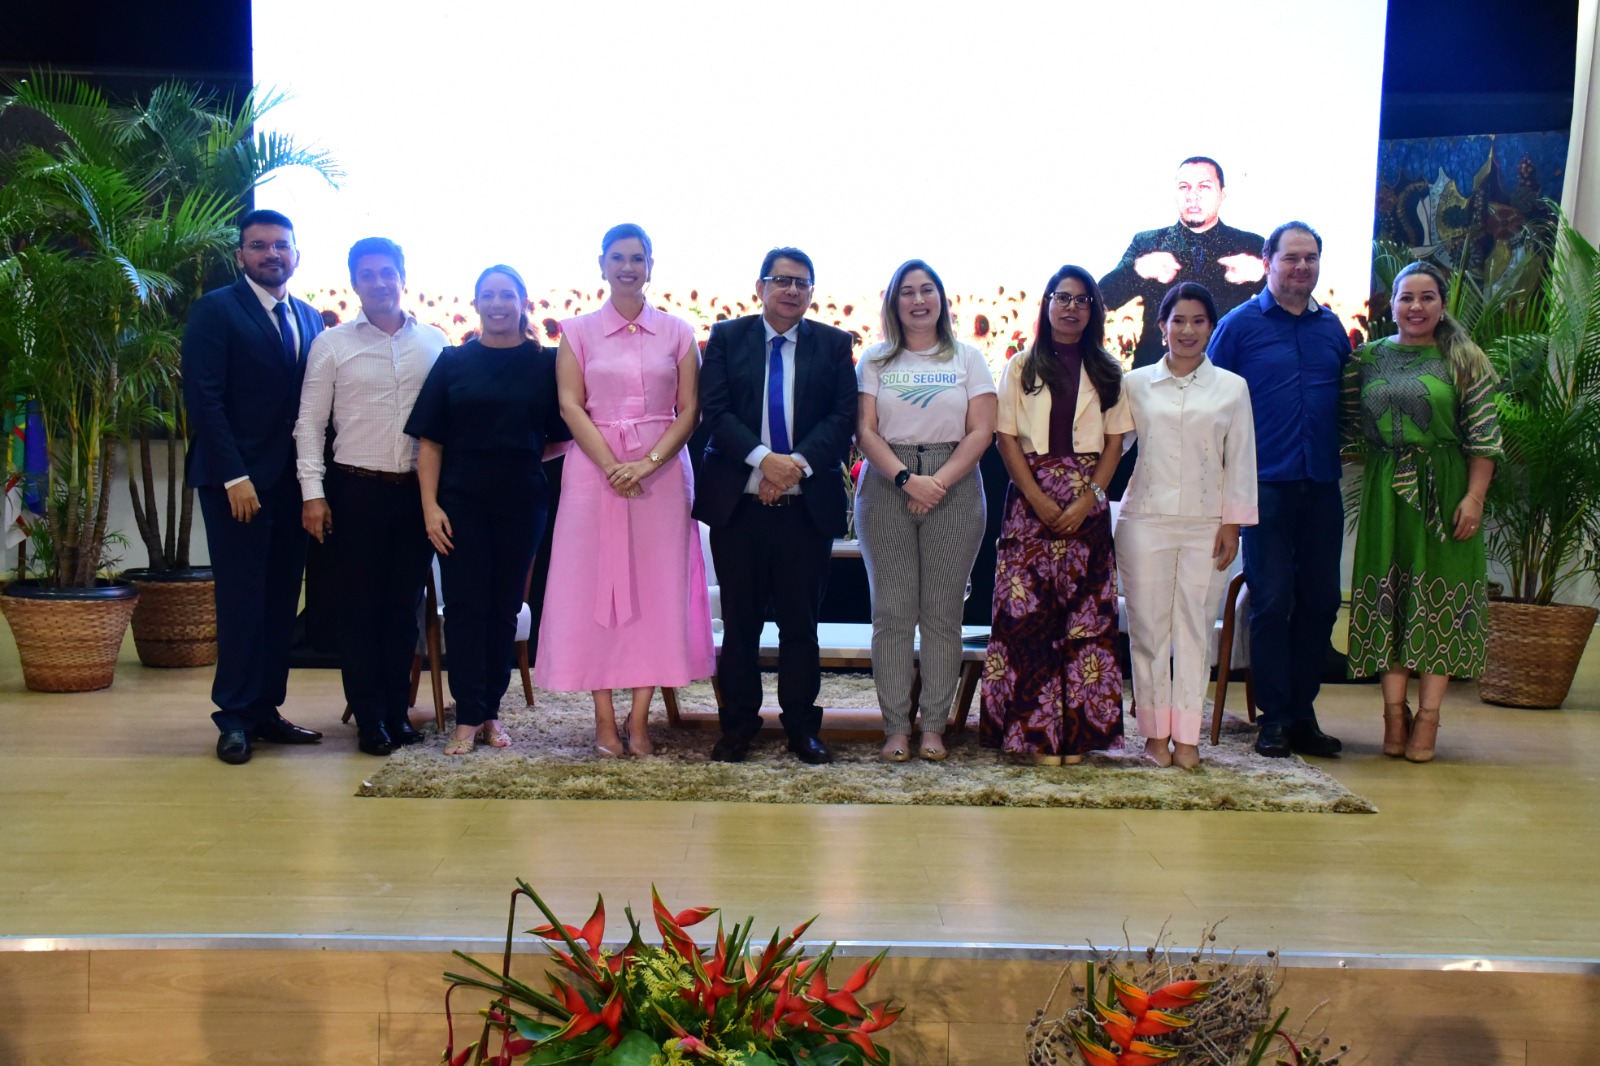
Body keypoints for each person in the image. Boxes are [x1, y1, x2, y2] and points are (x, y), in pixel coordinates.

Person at [534, 224, 714, 757]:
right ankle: (604, 721)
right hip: (593, 476)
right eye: (618, 257)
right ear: (602, 265)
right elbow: (570, 404)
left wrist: (649, 462)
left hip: (660, 478)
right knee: (593, 594)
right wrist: (613, 465)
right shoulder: (577, 331)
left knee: (657, 594)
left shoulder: (679, 333)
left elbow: (691, 409)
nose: (628, 267)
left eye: (638, 258)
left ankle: (640, 720)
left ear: (651, 265)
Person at [694, 247, 857, 765]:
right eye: (781, 280)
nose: (791, 290)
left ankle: (801, 729)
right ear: (760, 286)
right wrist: (766, 461)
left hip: (804, 508)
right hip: (738, 509)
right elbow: (715, 412)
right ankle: (737, 726)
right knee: (741, 623)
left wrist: (795, 465)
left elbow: (841, 417)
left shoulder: (832, 345)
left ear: (811, 293)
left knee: (799, 624)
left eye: (802, 283)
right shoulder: (726, 338)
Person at [404, 265, 569, 756]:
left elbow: (562, 439)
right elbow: (429, 443)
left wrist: (515, 454)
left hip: (522, 503)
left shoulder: (548, 363)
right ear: (476, 304)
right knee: (465, 609)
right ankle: (466, 714)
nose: (498, 303)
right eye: (488, 295)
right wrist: (430, 507)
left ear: (523, 302)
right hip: (460, 504)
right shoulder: (453, 361)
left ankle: (490, 712)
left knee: (503, 611)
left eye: (507, 295)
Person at [293, 237, 447, 756]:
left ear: (404, 276)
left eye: (388, 272)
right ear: (354, 281)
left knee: (403, 609)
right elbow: (310, 427)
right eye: (367, 274)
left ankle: (396, 712)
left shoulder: (435, 341)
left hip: (415, 495)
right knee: (360, 610)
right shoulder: (332, 345)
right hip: (353, 490)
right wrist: (313, 495)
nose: (379, 282)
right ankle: (369, 720)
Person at [183, 209, 326, 765]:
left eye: (281, 245)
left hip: (292, 487)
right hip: (236, 485)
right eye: (259, 245)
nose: (272, 254)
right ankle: (234, 717)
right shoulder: (216, 311)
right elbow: (205, 399)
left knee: (279, 602)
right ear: (240, 254)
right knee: (242, 602)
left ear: (296, 253)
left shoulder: (311, 318)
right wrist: (234, 476)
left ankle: (267, 709)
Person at [1344, 262, 1501, 762]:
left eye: (1427, 297)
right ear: (1389, 306)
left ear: (1441, 304)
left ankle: (1428, 718)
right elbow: (1346, 428)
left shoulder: (1465, 359)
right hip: (1384, 490)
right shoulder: (1364, 359)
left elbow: (1485, 440)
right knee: (1389, 597)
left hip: (1447, 487)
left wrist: (1473, 498)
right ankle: (1393, 716)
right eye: (1406, 298)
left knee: (1438, 600)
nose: (1416, 307)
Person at [1209, 222, 1352, 759]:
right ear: (1267, 260)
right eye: (1291, 257)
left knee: (1319, 603)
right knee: (1270, 602)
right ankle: (1273, 717)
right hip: (1262, 487)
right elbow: (1212, 405)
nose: (1302, 268)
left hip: (1321, 485)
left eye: (1311, 258)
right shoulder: (1238, 327)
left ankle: (1302, 713)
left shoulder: (1332, 330)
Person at [980, 265, 1133, 765]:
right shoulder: (1021, 364)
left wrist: (1089, 497)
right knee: (1029, 620)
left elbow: (1115, 443)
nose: (1072, 307)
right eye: (1062, 298)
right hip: (1029, 504)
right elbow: (1005, 438)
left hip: (1087, 507)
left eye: (1082, 299)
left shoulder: (1110, 370)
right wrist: (1038, 498)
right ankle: (1033, 737)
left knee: (1085, 625)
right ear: (1046, 305)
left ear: (1094, 310)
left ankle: (1079, 739)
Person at [854, 260, 997, 763]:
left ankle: (933, 726)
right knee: (891, 614)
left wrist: (936, 482)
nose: (918, 300)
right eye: (907, 292)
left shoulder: (968, 358)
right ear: (894, 303)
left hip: (954, 484)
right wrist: (904, 478)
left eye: (927, 290)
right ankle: (896, 726)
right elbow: (865, 431)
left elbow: (981, 430)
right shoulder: (874, 360)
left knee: (942, 615)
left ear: (941, 298)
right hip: (887, 481)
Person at [1117, 282, 1257, 769]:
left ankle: (1189, 738)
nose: (1188, 330)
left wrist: (1233, 524)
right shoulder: (1134, 385)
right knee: (1149, 631)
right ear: (1161, 327)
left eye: (1198, 321)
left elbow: (1240, 461)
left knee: (1194, 630)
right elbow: (1112, 448)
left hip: (1207, 526)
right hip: (1144, 522)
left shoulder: (1231, 388)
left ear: (1211, 328)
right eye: (1178, 320)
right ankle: (1155, 737)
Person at [1099, 157, 1266, 371]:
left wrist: (1264, 275)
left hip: (1226, 374)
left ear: (1222, 194)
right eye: (1184, 187)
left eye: (1204, 187)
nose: (1192, 196)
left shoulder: (1250, 245)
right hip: (1157, 375)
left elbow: (1287, 304)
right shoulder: (1148, 243)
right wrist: (1137, 270)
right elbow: (1101, 299)